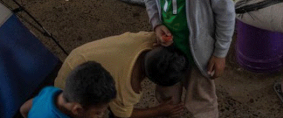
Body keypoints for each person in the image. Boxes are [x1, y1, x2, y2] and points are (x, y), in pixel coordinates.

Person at [54, 33, 188, 118]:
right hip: (71, 91)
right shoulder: (128, 89)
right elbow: (124, 114)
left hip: (76, 59)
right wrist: (159, 111)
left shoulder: (149, 39)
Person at [19, 61, 116, 118]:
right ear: (77, 110)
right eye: (98, 113)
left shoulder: (50, 92)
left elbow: (24, 109)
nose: (102, 115)